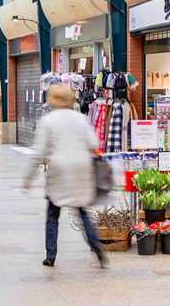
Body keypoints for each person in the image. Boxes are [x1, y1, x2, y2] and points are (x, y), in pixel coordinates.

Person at [22, 83, 108, 268]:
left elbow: (38, 153)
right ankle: (97, 247)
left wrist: (28, 179)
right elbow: (93, 143)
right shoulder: (81, 118)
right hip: (81, 169)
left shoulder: (47, 121)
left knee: (52, 215)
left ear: (52, 99)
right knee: (82, 211)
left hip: (58, 170)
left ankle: (50, 255)